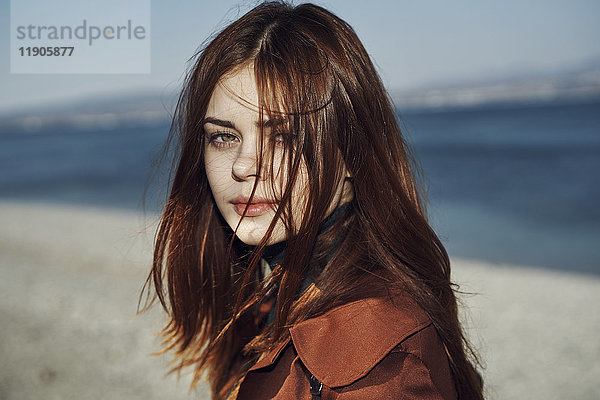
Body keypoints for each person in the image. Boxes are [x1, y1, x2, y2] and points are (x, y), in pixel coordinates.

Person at [139, 1, 484, 399]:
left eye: (284, 136)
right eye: (224, 136)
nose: (243, 166)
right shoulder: (275, 301)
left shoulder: (383, 370)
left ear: (354, 153)